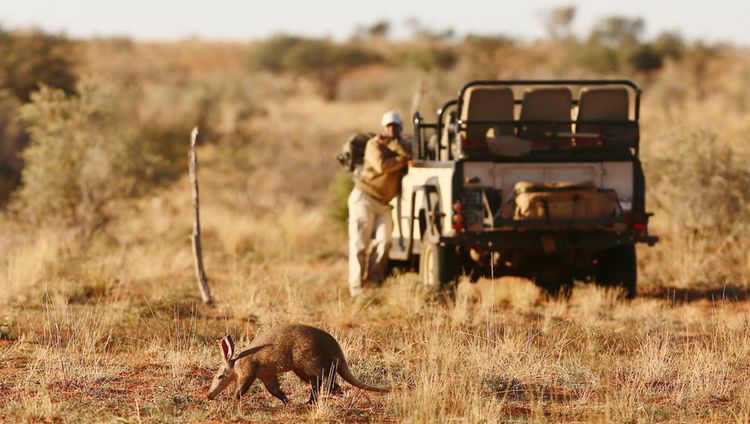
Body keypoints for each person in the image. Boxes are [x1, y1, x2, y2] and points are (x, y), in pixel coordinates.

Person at [348, 111, 411, 297]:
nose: (391, 129)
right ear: (384, 127)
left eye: (395, 126)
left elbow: (411, 152)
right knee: (359, 244)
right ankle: (356, 289)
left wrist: (396, 147)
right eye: (389, 126)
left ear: (400, 128)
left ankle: (374, 283)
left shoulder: (399, 144)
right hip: (365, 198)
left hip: (384, 203)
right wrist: (402, 159)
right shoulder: (374, 144)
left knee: (385, 242)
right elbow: (382, 166)